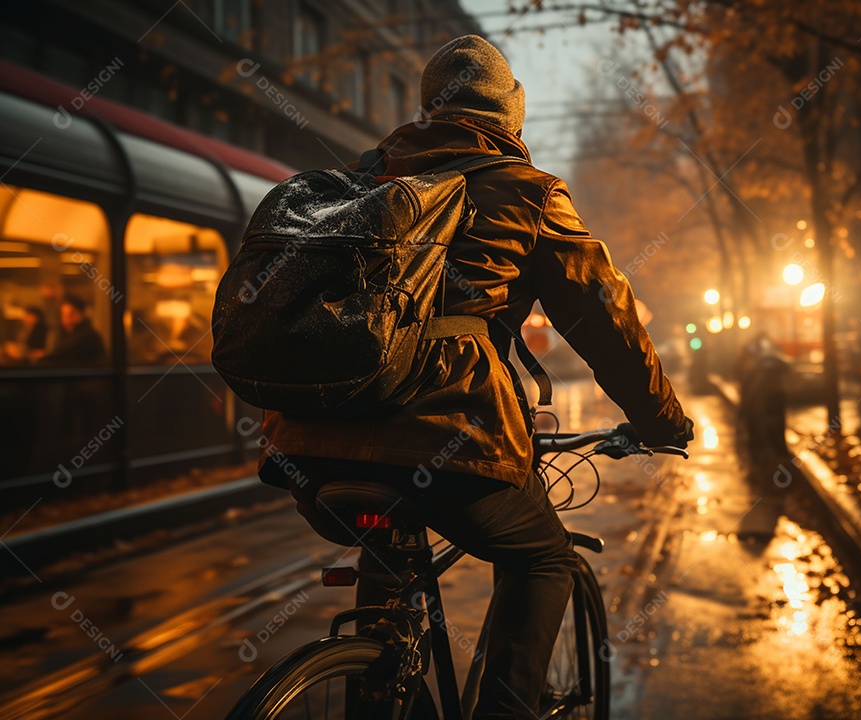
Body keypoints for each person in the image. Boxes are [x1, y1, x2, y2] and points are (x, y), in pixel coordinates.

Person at [259, 35, 692, 720]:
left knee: (388, 558)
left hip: (309, 452)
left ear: (430, 108)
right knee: (543, 560)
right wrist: (660, 420)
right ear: (510, 119)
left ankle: (376, 683)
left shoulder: (360, 181)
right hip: (452, 442)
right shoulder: (528, 193)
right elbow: (604, 320)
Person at [40, 295, 105, 364]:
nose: (67, 320)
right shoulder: (65, 333)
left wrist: (44, 357)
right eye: (64, 316)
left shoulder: (88, 335)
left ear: (81, 314)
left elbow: (61, 353)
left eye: (71, 315)